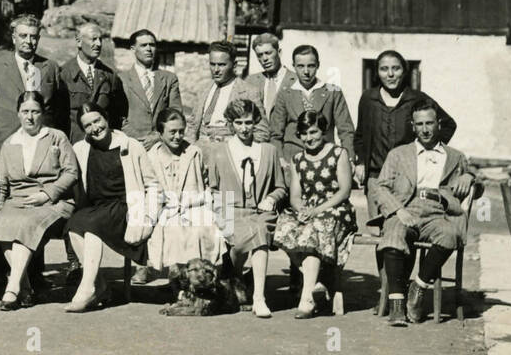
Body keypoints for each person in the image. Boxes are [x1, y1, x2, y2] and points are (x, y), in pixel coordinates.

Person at [369, 99, 480, 326]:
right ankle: (397, 304)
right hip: (405, 209)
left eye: (430, 123)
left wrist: (470, 178)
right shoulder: (399, 154)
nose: (425, 129)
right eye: (420, 124)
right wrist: (398, 210)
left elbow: (476, 190)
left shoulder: (455, 156)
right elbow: (380, 187)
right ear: (413, 126)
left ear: (438, 124)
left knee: (450, 235)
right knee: (394, 237)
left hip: (437, 213)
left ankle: (418, 287)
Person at [63, 102, 161, 311]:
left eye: (97, 121)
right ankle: (99, 285)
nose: (94, 128)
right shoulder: (80, 149)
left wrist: (149, 217)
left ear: (106, 118)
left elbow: (152, 184)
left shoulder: (131, 145)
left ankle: (86, 289)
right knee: (74, 225)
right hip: (97, 208)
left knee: (92, 226)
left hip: (126, 207)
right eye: (87, 125)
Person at [0, 91, 78, 310]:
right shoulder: (9, 143)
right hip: (17, 200)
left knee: (26, 223)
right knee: (0, 224)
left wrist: (47, 194)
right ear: (18, 114)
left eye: (35, 112)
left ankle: (11, 288)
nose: (30, 117)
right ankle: (25, 286)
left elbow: (71, 172)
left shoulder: (56, 137)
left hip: (53, 201)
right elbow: (3, 184)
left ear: (43, 113)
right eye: (25, 111)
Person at [204, 98, 289, 318]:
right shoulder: (219, 151)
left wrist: (271, 198)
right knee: (236, 249)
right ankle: (236, 277)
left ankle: (259, 298)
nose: (244, 128)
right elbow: (212, 188)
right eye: (239, 122)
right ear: (231, 124)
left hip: (261, 211)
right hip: (231, 210)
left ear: (256, 122)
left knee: (259, 232)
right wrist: (220, 213)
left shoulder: (268, 151)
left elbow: (281, 186)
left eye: (249, 122)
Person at [353, 49, 457, 224]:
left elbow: (448, 124)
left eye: (396, 68)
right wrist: (361, 162)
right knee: (379, 234)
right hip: (376, 179)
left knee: (406, 230)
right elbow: (360, 135)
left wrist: (428, 149)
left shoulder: (416, 99)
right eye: (384, 69)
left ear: (405, 71)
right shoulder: (368, 99)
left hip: (407, 180)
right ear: (377, 72)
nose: (391, 74)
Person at [273, 110, 357, 318]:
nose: (309, 138)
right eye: (304, 134)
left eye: (313, 132)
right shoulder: (298, 159)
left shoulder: (339, 153)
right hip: (308, 209)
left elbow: (344, 190)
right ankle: (317, 281)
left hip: (335, 209)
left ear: (324, 131)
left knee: (316, 227)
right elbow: (295, 195)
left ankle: (307, 298)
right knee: (283, 225)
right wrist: (301, 210)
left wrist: (316, 211)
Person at [143, 108, 223, 279]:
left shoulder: (194, 153)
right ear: (160, 132)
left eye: (181, 131)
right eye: (172, 132)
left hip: (194, 206)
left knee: (202, 230)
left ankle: (199, 280)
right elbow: (149, 190)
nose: (178, 137)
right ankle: (179, 280)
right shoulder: (151, 157)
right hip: (164, 209)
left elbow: (205, 184)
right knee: (173, 231)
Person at [0, 14, 66, 153]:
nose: (28, 41)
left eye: (33, 36)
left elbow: (59, 108)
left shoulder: (51, 67)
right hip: (4, 141)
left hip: (41, 144)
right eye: (23, 36)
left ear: (38, 39)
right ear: (13, 38)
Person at [267, 44, 355, 162]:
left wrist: (349, 159)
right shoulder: (285, 94)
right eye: (300, 66)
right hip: (292, 161)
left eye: (311, 66)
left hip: (326, 159)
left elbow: (346, 131)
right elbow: (275, 134)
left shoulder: (333, 92)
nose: (306, 71)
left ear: (318, 65)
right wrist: (280, 159)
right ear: (293, 66)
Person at [187, 40, 265, 144]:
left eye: (221, 65)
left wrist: (236, 146)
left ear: (234, 65)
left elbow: (262, 132)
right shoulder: (203, 89)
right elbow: (192, 125)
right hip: (200, 146)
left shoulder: (249, 91)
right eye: (212, 64)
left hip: (228, 149)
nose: (216, 70)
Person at [59, 23, 125, 143]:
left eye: (100, 39)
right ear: (79, 42)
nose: (99, 44)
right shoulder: (63, 74)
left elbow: (119, 114)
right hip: (75, 144)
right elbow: (57, 118)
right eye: (94, 39)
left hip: (104, 145)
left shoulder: (110, 76)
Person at [118, 29, 183, 148]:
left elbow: (175, 112)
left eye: (152, 45)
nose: (149, 49)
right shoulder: (121, 80)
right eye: (143, 45)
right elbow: (118, 117)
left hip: (162, 143)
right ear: (133, 49)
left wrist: (158, 135)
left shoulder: (169, 79)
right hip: (131, 144)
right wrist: (137, 139)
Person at [244, 32, 294, 122]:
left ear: (279, 52)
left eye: (268, 53)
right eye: (260, 55)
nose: (265, 59)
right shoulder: (250, 81)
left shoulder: (295, 81)